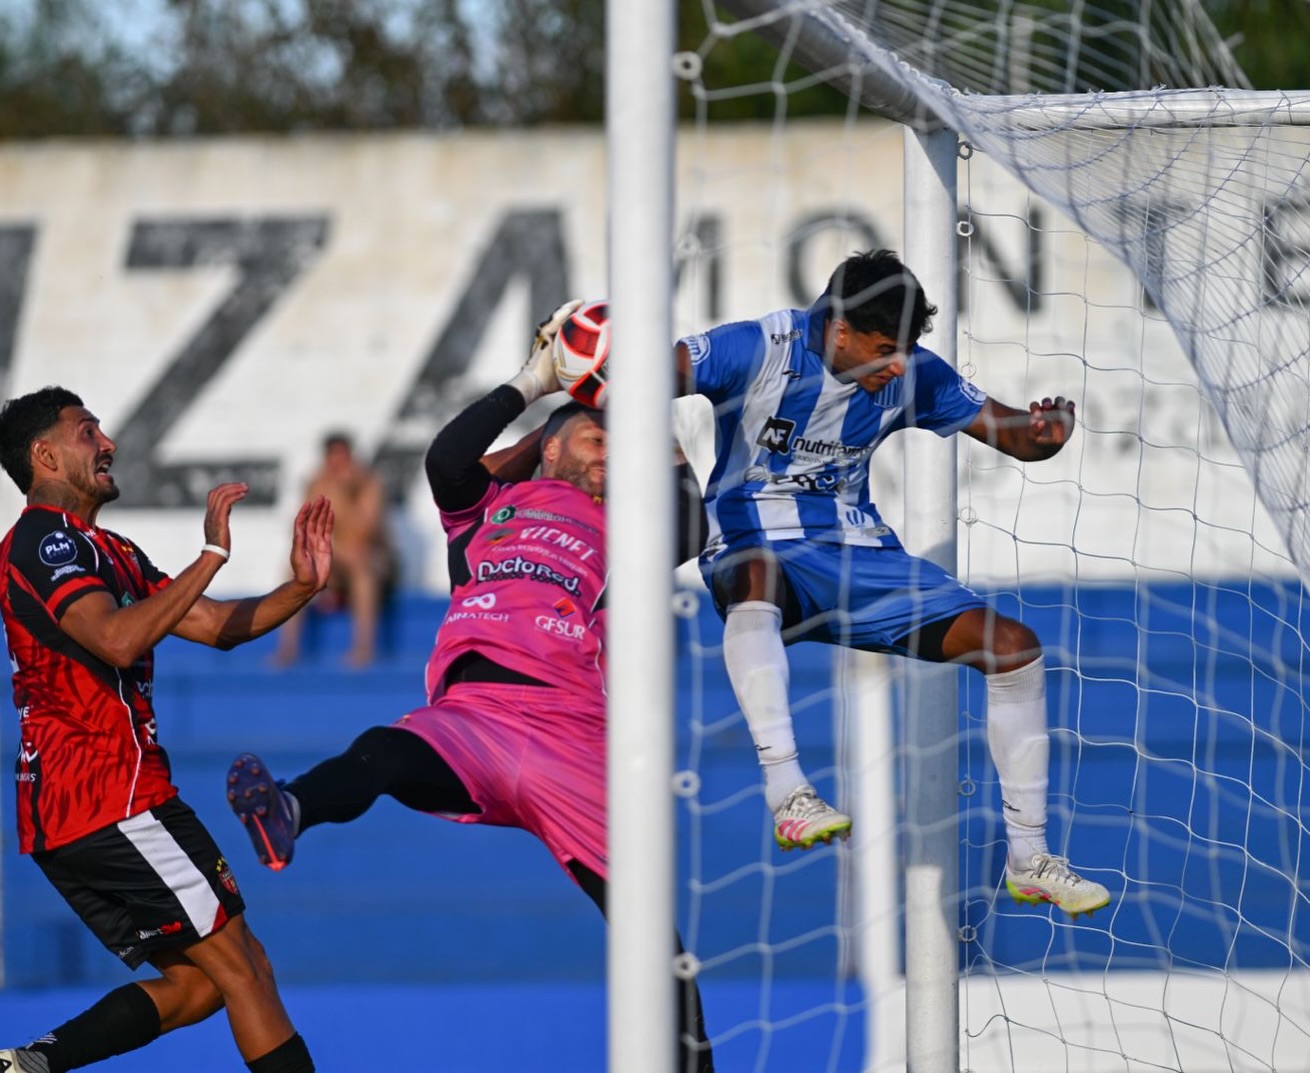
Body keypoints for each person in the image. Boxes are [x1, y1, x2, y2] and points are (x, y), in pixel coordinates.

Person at [225, 303, 715, 1071]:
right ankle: (289, 809)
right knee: (384, 750)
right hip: (471, 718)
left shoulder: (628, 526)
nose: (610, 455)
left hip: (570, 734)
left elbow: (694, 526)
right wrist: (534, 381)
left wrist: (650, 416)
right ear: (550, 447)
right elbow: (447, 460)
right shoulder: (487, 511)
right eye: (596, 439)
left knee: (649, 928)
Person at [676, 248, 1110, 917]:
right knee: (758, 570)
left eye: (906, 349)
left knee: (1013, 646)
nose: (900, 365)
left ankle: (1030, 857)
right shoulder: (759, 347)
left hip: (859, 553)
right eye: (885, 349)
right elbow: (635, 376)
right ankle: (789, 791)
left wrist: (1045, 433)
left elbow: (1014, 436)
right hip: (753, 543)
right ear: (839, 331)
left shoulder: (912, 373)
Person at [0, 386, 332, 1073]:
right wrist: (211, 554)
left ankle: (31, 1063)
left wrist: (300, 587)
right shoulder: (43, 540)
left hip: (85, 811)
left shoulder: (109, 548)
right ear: (45, 456)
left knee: (202, 984)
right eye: (88, 431)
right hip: (110, 798)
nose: (108, 443)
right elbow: (118, 640)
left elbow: (213, 626)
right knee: (246, 969)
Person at [273, 430, 396, 668]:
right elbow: (303, 529)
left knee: (363, 570)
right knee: (293, 572)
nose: (339, 466)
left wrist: (345, 493)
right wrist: (336, 550)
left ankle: (364, 648)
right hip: (334, 557)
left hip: (371, 559)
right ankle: (287, 649)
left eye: (344, 458)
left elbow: (366, 532)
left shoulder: (368, 483)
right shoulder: (317, 483)